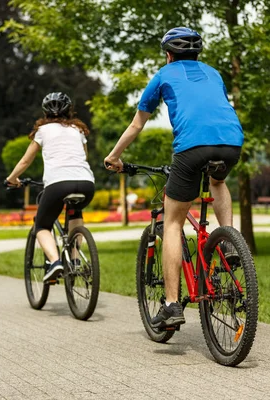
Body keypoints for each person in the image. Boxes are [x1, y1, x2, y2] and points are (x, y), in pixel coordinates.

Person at [104, 27, 244, 328]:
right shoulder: (214, 74)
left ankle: (171, 305)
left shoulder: (163, 75)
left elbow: (136, 125)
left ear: (168, 54)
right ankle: (229, 240)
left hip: (192, 148)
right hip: (232, 143)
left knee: (172, 221)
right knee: (217, 182)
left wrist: (114, 157)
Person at [5, 92, 95, 282]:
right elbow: (84, 157)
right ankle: (76, 260)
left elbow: (25, 161)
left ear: (45, 112)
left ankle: (55, 263)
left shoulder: (43, 131)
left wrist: (12, 178)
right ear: (68, 111)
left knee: (42, 225)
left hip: (58, 184)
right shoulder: (77, 130)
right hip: (87, 183)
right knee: (75, 212)